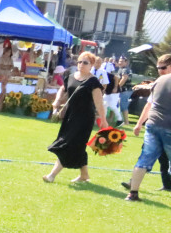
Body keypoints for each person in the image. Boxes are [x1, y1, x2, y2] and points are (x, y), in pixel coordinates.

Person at [43, 52, 107, 184]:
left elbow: (99, 102)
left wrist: (103, 120)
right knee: (78, 146)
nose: (81, 65)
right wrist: (57, 100)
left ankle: (52, 175)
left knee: (68, 144)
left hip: (84, 118)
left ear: (91, 65)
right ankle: (84, 175)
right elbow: (63, 88)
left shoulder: (93, 81)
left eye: (85, 63)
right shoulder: (71, 76)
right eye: (79, 62)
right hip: (70, 116)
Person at [123, 55, 171, 201]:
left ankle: (132, 194)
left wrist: (140, 123)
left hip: (153, 124)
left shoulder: (159, 80)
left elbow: (151, 104)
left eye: (162, 68)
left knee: (144, 159)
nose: (160, 70)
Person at [116, 55, 133, 123]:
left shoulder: (125, 69)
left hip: (125, 90)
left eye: (122, 61)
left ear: (126, 62)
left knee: (123, 106)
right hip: (123, 90)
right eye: (119, 61)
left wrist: (117, 87)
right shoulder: (121, 69)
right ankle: (113, 120)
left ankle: (126, 122)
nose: (120, 62)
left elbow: (124, 78)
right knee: (117, 104)